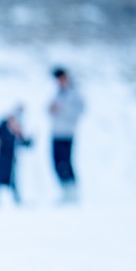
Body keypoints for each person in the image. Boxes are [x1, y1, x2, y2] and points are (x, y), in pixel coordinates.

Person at [47, 67, 85, 203]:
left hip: (67, 133)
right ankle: (64, 190)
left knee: (65, 162)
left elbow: (79, 111)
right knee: (56, 162)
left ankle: (72, 192)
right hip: (56, 132)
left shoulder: (74, 93)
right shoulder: (59, 93)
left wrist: (61, 109)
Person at [0, 106, 32, 205]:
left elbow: (23, 141)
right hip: (0, 157)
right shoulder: (3, 125)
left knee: (12, 179)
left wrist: (29, 142)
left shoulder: (17, 128)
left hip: (11, 158)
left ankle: (17, 198)